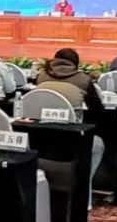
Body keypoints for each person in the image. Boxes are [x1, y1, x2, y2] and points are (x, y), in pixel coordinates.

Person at [34, 48, 105, 207]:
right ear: (76, 64)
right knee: (98, 144)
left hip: (39, 140)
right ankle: (83, 191)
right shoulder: (83, 80)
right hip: (71, 142)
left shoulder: (41, 76)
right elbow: (98, 110)